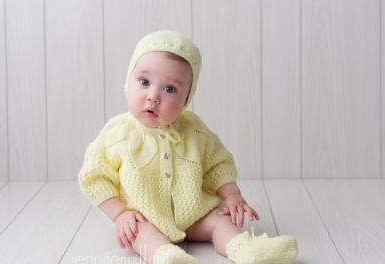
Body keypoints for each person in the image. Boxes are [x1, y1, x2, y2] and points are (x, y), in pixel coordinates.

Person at [78, 30, 298, 264]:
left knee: (220, 220)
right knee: (140, 234)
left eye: (169, 89)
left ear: (185, 100)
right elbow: (94, 177)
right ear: (128, 82)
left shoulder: (194, 129)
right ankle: (166, 257)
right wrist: (120, 214)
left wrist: (232, 194)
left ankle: (246, 250)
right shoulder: (117, 133)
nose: (153, 96)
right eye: (144, 82)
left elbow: (217, 163)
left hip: (194, 214)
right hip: (144, 218)